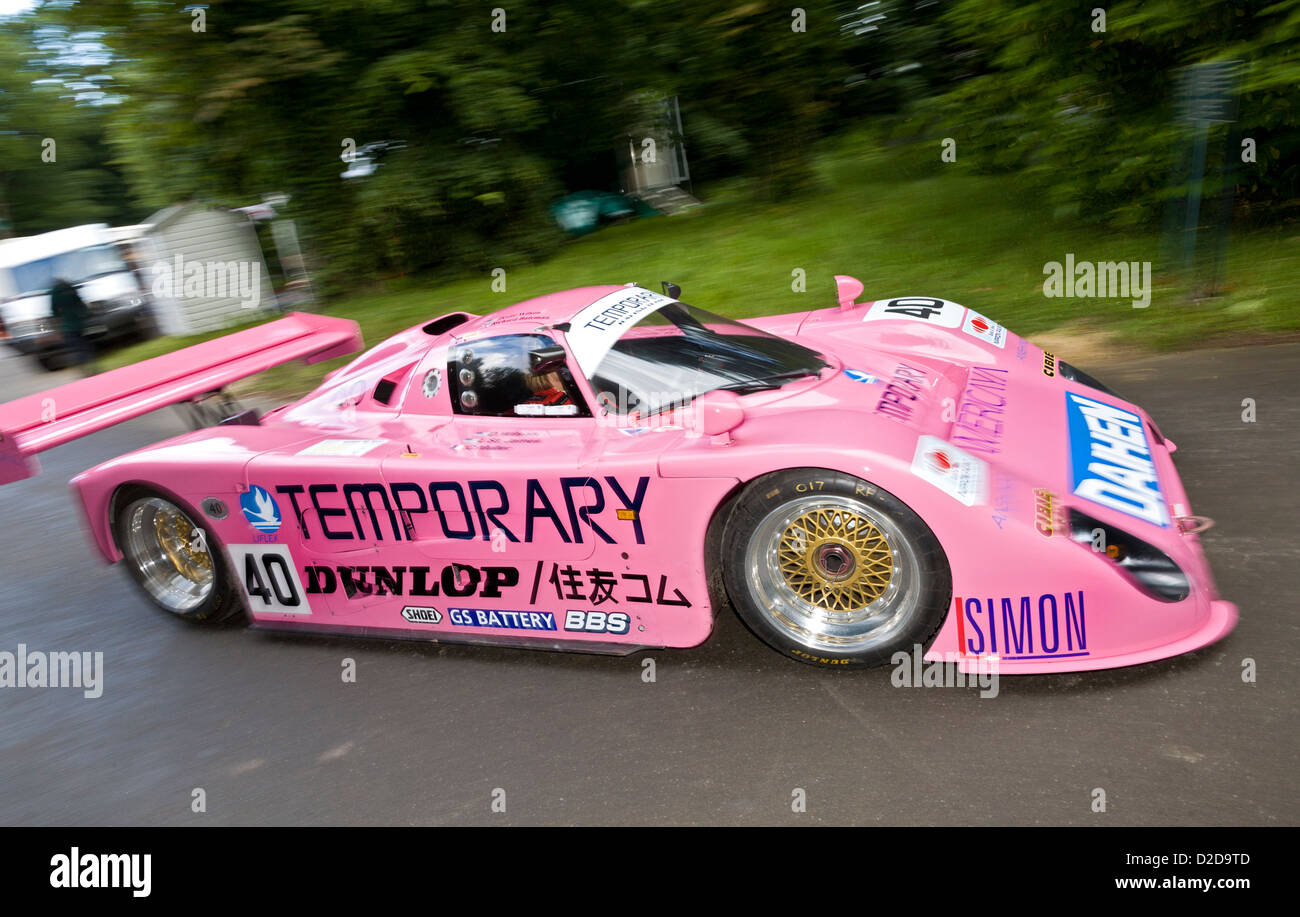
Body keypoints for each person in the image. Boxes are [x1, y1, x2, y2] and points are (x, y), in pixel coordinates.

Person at [48, 278, 96, 374]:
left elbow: (54, 311)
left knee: (75, 348)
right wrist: (86, 314)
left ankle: (82, 368)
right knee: (84, 346)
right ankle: (90, 366)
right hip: (78, 324)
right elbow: (81, 304)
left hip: (66, 327)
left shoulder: (54, 293)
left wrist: (57, 323)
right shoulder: (71, 289)